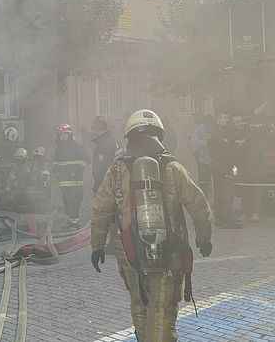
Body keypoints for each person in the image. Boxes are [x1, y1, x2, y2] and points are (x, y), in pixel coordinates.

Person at [90, 110, 213, 342]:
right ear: (159, 133)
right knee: (163, 309)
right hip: (169, 252)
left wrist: (97, 246)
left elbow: (100, 210)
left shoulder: (117, 170)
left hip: (130, 252)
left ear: (129, 136)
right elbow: (198, 204)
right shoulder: (173, 167)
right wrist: (204, 238)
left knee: (139, 303)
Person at [53, 124, 86, 228]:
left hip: (75, 181)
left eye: (64, 134)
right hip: (63, 182)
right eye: (61, 134)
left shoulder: (76, 147)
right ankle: (70, 221)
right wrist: (55, 171)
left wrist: (76, 170)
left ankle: (75, 222)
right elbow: (55, 163)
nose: (62, 137)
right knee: (66, 201)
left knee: (74, 201)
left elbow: (85, 161)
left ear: (69, 134)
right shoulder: (59, 148)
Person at [91, 116, 117, 193]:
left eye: (95, 128)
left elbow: (102, 168)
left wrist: (98, 185)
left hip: (105, 186)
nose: (93, 132)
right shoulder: (109, 141)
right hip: (109, 184)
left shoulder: (104, 143)